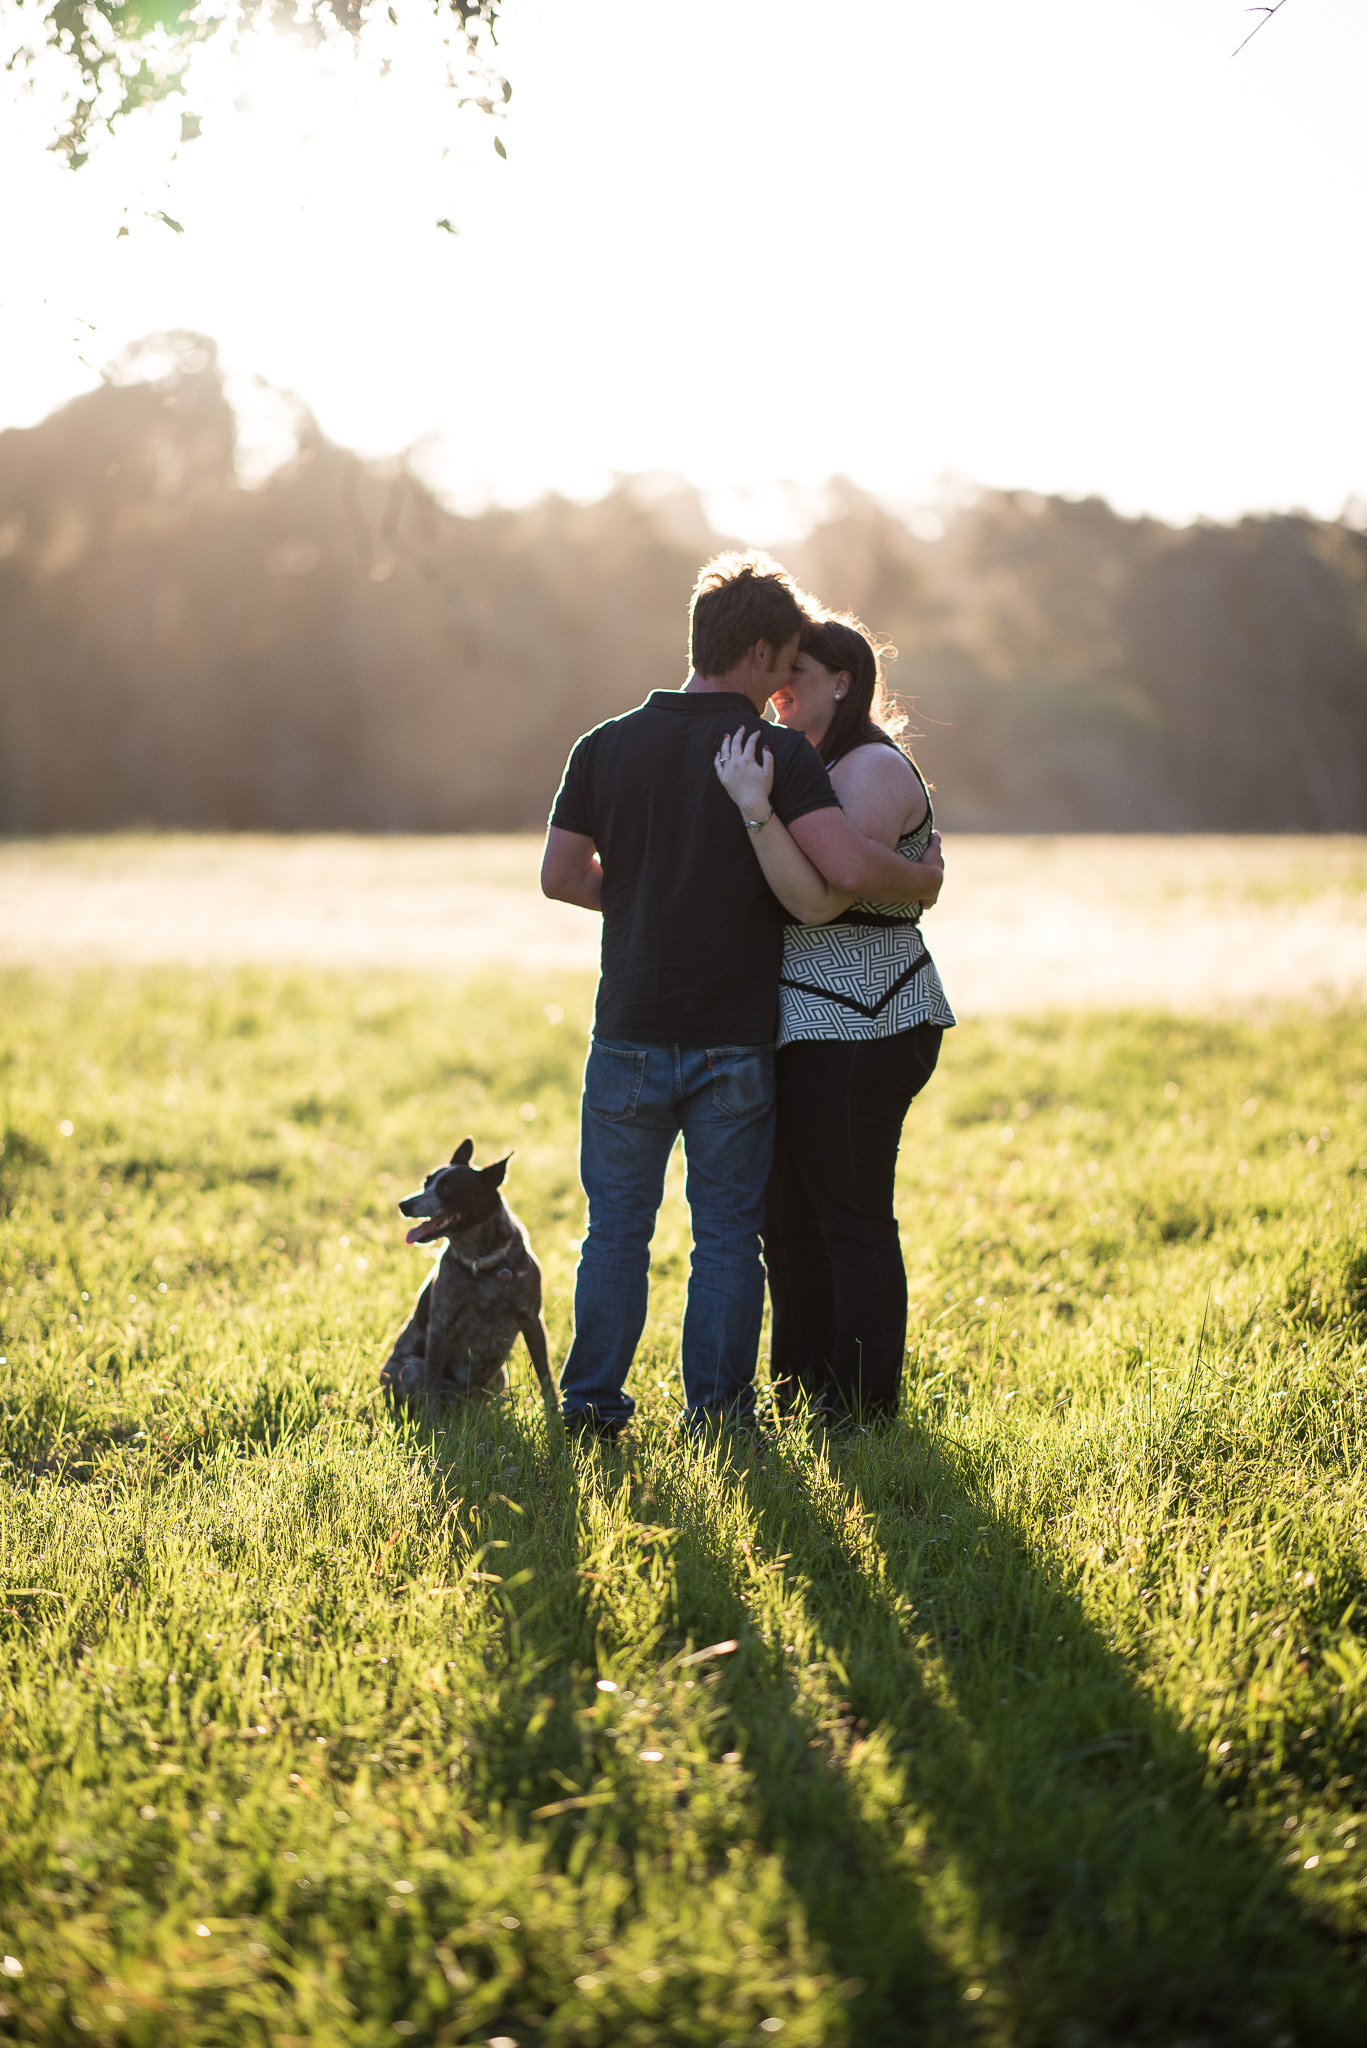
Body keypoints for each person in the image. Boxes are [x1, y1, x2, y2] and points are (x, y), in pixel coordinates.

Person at [541, 554, 944, 1441]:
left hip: (627, 1034)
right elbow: (824, 886)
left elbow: (560, 877)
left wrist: (645, 895)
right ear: (760, 654)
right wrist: (919, 876)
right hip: (735, 1038)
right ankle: (717, 1418)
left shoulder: (601, 745)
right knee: (727, 1236)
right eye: (785, 663)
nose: (783, 688)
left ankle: (592, 1408)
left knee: (613, 1233)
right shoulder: (775, 754)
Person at [714, 611, 955, 1423]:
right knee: (788, 1219)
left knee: (848, 1217)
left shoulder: (869, 767)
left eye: (799, 673)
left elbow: (839, 877)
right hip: (807, 1026)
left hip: (868, 1019)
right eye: (776, 669)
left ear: (843, 682)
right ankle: (798, 1391)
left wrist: (922, 883)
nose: (780, 686)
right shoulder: (807, 761)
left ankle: (861, 1406)